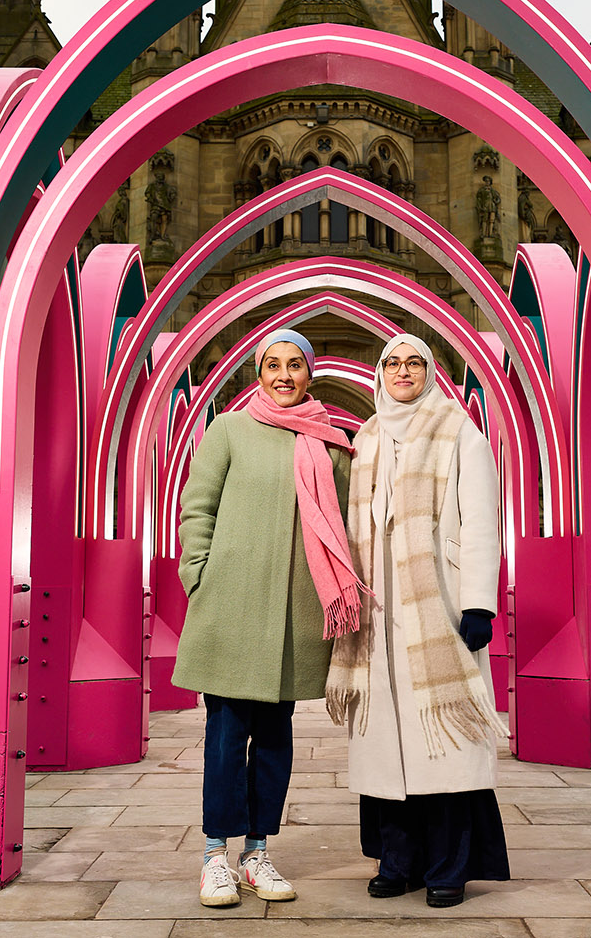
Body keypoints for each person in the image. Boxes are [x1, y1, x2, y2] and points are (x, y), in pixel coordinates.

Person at [175, 329, 360, 908]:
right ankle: (214, 855)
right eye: (273, 365)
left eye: (295, 366)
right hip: (231, 608)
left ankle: (256, 851)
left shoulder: (333, 446)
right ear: (259, 372)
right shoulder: (228, 430)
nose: (284, 376)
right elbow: (197, 507)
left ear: (311, 372)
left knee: (276, 741)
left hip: (294, 617)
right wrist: (199, 577)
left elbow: (348, 527)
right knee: (226, 739)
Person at [328, 333, 510, 909]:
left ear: (431, 372)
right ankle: (397, 860)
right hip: (379, 617)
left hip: (437, 610)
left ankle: (448, 868)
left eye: (413, 362)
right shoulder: (369, 436)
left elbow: (481, 522)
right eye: (392, 363)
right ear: (380, 374)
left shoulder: (461, 433)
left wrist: (479, 604)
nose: (402, 371)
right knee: (388, 750)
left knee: (443, 746)